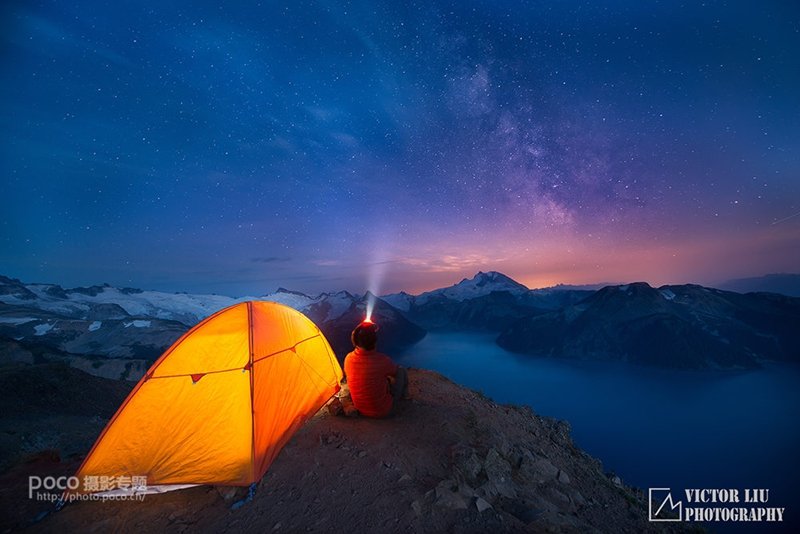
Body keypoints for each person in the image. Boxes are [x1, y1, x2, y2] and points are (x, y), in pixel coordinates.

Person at [343, 320, 408, 418]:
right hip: (384, 411)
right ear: (375, 341)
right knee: (401, 370)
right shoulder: (383, 360)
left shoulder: (348, 358)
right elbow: (395, 372)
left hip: (360, 409)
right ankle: (404, 396)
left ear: (355, 341)